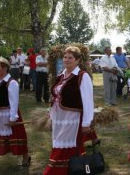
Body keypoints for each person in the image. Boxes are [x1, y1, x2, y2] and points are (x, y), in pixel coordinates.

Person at [43, 46, 94, 175]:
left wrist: (86, 123)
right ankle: (71, 170)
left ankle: (53, 171)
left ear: (77, 60)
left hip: (72, 118)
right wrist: (50, 113)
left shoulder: (82, 76)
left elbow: (88, 101)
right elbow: (56, 96)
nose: (66, 60)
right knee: (59, 143)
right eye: (65, 57)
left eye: (70, 57)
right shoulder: (61, 75)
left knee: (65, 145)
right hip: (59, 118)